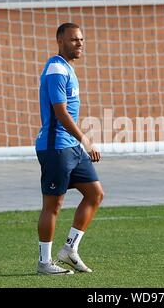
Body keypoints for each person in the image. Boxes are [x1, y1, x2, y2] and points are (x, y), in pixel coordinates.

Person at [35, 23, 104, 275]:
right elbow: (60, 112)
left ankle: (69, 250)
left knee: (95, 194)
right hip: (56, 147)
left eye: (82, 39)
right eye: (74, 39)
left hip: (71, 147)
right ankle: (44, 262)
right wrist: (86, 141)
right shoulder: (55, 68)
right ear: (60, 40)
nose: (80, 43)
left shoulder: (67, 68)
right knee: (53, 205)